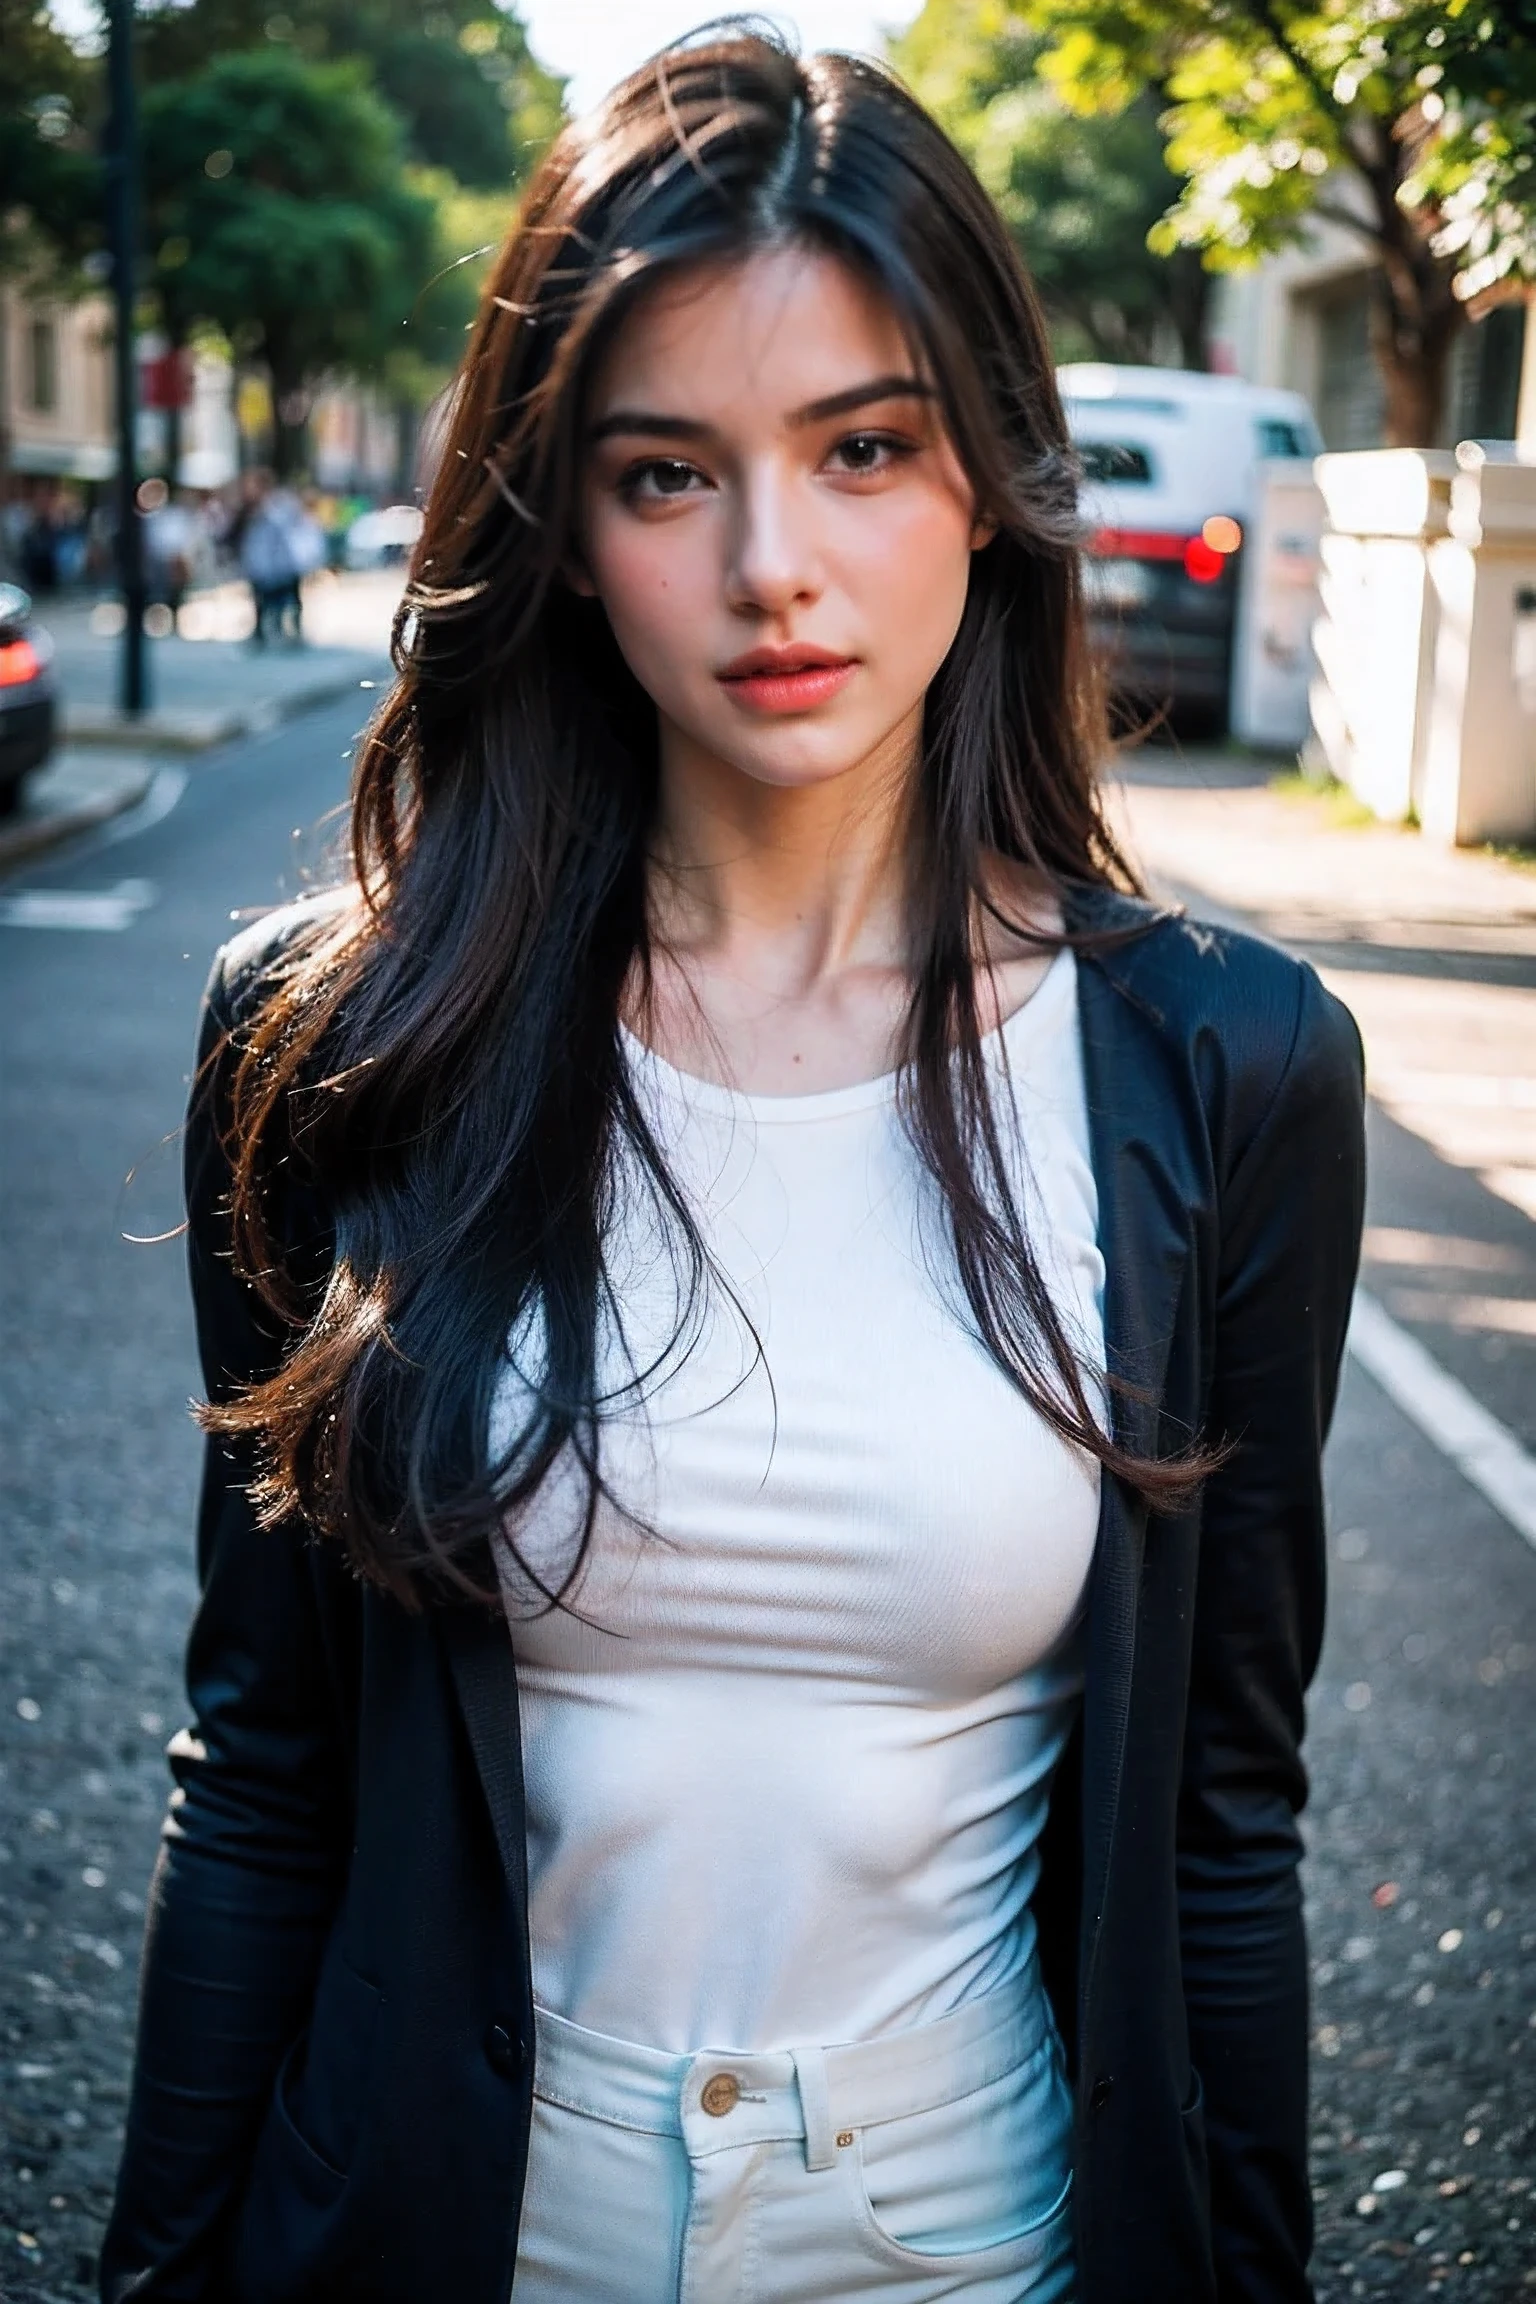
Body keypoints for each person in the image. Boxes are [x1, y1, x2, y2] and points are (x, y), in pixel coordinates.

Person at [100, 31, 1365, 2304]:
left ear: (989, 469)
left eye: (864, 449)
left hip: (978, 2235)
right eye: (668, 473)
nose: (776, 566)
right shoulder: (337, 1039)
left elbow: (1222, 1827)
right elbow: (267, 1764)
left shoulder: (1227, 1066)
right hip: (443, 2233)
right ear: (564, 532)